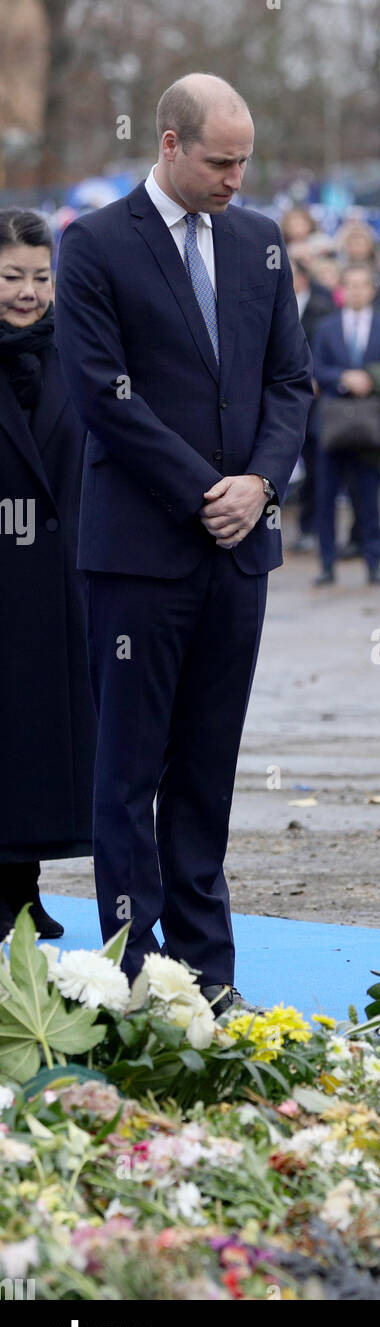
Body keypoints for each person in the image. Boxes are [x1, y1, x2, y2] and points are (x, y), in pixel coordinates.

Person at [54, 74, 314, 1010]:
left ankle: (211, 973)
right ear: (168, 145)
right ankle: (136, 971)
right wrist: (203, 489)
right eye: (220, 161)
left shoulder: (260, 242)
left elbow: (291, 383)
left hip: (239, 550)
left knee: (207, 771)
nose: (237, 179)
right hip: (138, 552)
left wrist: (259, 484)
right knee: (129, 772)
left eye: (245, 160)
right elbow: (97, 390)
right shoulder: (91, 245)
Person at [0, 209, 97, 940]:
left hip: (59, 576)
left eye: (39, 277)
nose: (27, 292)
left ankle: (25, 891)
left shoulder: (78, 351)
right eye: (10, 277)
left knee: (42, 740)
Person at [311, 262, 380, 585]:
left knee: (369, 497)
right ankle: (326, 564)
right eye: (350, 285)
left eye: (361, 285)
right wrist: (343, 378)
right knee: (325, 497)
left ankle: (374, 563)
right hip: (332, 425)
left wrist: (369, 379)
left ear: (371, 290)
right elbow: (313, 367)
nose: (355, 291)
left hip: (370, 426)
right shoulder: (326, 328)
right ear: (342, 290)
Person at [290, 256, 335, 551]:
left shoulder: (323, 309)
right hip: (281, 400)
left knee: (318, 468)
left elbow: (325, 348)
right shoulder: (266, 301)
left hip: (315, 402)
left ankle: (314, 527)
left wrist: (314, 379)